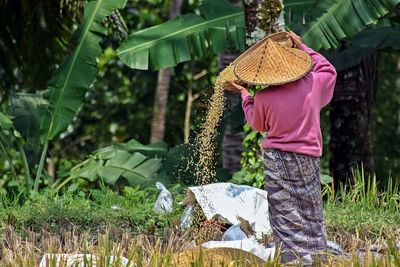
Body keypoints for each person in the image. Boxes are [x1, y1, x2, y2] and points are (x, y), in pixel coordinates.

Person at [227, 31, 337, 265]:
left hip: (278, 160)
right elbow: (328, 70)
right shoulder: (313, 84)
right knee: (311, 208)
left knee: (284, 214)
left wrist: (245, 94)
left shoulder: (265, 97)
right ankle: (318, 257)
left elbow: (257, 124)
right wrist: (303, 45)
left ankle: (292, 260)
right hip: (308, 157)